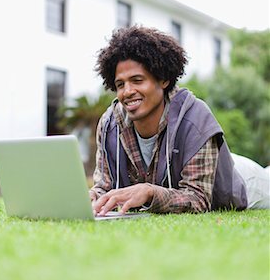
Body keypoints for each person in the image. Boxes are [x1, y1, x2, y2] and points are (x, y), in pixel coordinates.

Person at [89, 25, 269, 216]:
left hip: (244, 180)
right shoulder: (110, 124)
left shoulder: (196, 118)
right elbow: (104, 186)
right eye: (120, 84)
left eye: (137, 80)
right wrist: (92, 197)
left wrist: (150, 192)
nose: (127, 91)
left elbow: (198, 198)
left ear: (163, 80)